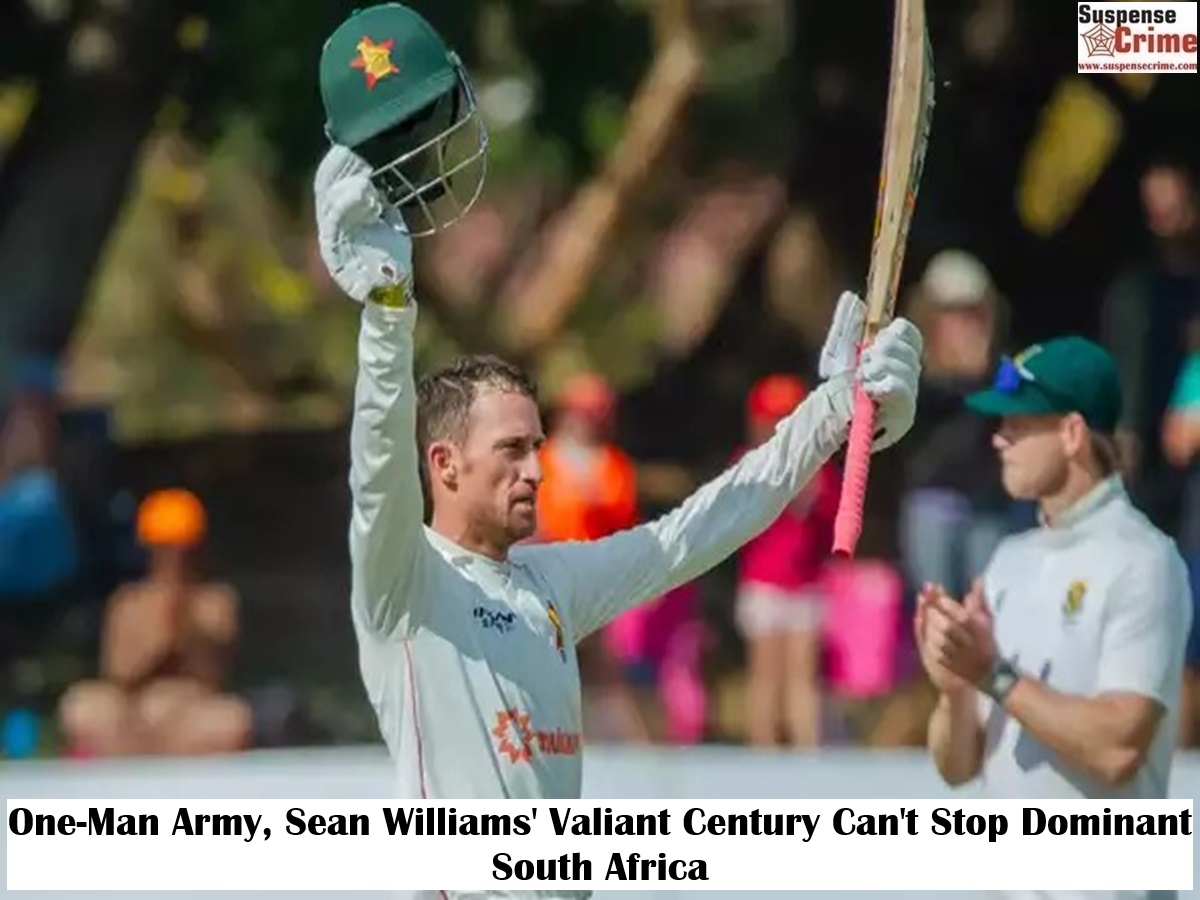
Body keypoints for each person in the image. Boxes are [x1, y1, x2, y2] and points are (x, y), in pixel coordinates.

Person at [315, 2, 923, 808]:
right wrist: (388, 310)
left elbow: (700, 528)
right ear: (445, 465)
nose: (537, 471)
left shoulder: (552, 584)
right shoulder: (404, 585)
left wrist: (832, 412)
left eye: (536, 446)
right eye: (511, 451)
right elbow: (377, 461)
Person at [918, 336, 1192, 826]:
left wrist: (993, 675)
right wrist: (955, 688)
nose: (999, 439)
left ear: (1071, 434)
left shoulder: (1144, 559)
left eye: (1018, 425)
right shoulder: (1009, 559)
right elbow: (957, 768)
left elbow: (1118, 750)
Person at [57, 488, 251, 757]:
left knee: (232, 720)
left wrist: (182, 616)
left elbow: (212, 675)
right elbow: (119, 672)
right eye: (165, 548)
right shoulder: (127, 601)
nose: (174, 558)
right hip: (133, 712)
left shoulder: (217, 601)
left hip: (190, 711)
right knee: (82, 705)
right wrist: (157, 637)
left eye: (182, 549)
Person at [733, 373, 840, 748]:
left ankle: (806, 750)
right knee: (765, 674)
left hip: (805, 583)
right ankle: (761, 749)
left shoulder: (819, 469)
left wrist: (812, 495)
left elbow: (833, 523)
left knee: (803, 675)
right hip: (763, 581)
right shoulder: (748, 464)